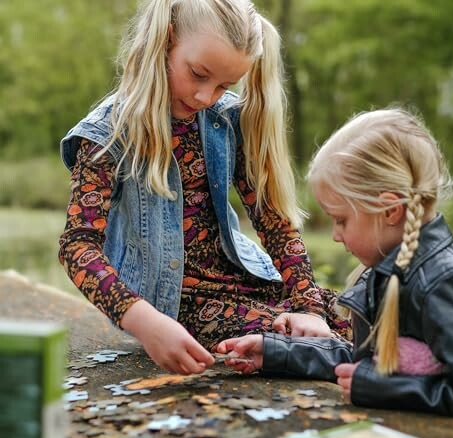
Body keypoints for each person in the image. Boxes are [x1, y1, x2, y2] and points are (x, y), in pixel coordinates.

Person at [58, 0, 351, 376]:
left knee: (360, 320)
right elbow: (76, 246)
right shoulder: (107, 134)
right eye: (198, 74)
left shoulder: (225, 120)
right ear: (164, 42)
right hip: (178, 305)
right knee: (315, 348)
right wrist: (145, 322)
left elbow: (273, 222)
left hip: (249, 282)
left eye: (224, 85)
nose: (206, 97)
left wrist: (308, 305)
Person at [217, 108, 453, 419]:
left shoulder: (449, 285)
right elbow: (362, 360)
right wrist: (276, 353)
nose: (336, 236)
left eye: (341, 220)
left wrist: (385, 390)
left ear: (390, 210)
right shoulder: (385, 270)